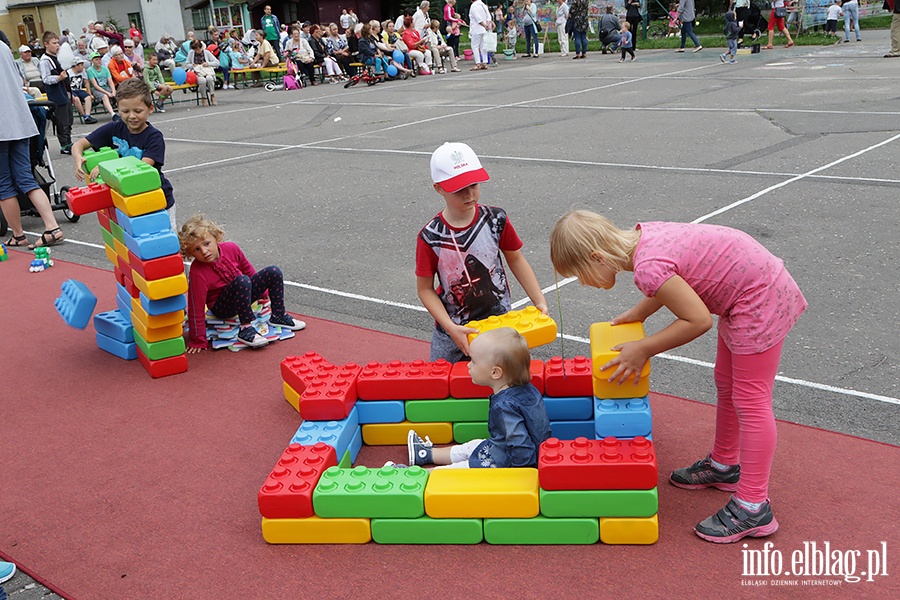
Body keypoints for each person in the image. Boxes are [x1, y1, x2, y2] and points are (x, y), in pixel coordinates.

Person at [549, 210, 807, 543]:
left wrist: (644, 348)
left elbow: (698, 319)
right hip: (750, 287)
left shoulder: (645, 267)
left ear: (597, 257)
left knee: (751, 399)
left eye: (581, 275)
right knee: (727, 383)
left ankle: (753, 505)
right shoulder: (644, 237)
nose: (585, 283)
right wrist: (639, 312)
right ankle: (725, 464)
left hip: (759, 297)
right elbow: (675, 279)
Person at [417, 142, 548, 362]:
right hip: (454, 334)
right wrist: (450, 328)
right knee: (449, 389)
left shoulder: (495, 219)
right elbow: (425, 289)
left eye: (474, 185)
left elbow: (516, 259)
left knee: (505, 382)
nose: (469, 194)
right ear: (439, 188)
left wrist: (539, 300)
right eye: (459, 189)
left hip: (500, 324)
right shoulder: (430, 236)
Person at [401, 328, 551, 469]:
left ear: (495, 373)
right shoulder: (528, 389)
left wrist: (521, 473)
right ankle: (426, 454)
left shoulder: (504, 406)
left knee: (463, 469)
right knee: (475, 445)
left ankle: (415, 476)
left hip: (510, 463)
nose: (468, 365)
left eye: (473, 361)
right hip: (522, 452)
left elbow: (520, 443)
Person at [179, 214, 305, 352]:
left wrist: (262, 294)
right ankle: (246, 329)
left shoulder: (231, 248)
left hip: (243, 293)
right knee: (242, 281)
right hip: (222, 308)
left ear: (216, 238)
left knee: (273, 271)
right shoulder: (198, 272)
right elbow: (195, 306)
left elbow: (249, 271)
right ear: (191, 253)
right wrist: (198, 340)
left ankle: (278, 316)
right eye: (196, 249)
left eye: (207, 244)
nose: (204, 251)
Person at [72, 78, 177, 229]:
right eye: (125, 111)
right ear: (118, 109)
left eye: (138, 111)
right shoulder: (114, 128)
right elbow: (79, 144)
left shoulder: (154, 137)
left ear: (150, 108)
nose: (132, 116)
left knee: (167, 242)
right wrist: (77, 158)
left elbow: (141, 167)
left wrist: (106, 167)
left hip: (157, 199)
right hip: (127, 199)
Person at [0, 39, 65, 249]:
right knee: (25, 177)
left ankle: (18, 234)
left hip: (2, 126)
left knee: (4, 184)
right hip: (19, 118)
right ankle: (52, 226)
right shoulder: (3, 47)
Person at [39, 31, 74, 155]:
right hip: (57, 96)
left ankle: (69, 142)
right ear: (46, 44)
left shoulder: (58, 57)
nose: (57, 46)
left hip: (66, 93)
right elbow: (46, 79)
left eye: (58, 43)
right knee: (61, 121)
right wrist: (59, 78)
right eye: (54, 43)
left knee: (69, 120)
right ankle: (64, 145)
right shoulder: (45, 60)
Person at [186, 39, 219, 106]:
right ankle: (204, 97)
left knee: (209, 79)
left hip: (207, 71)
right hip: (197, 72)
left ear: (201, 47)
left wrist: (208, 64)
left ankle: (212, 95)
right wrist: (193, 65)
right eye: (195, 49)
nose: (197, 51)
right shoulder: (191, 53)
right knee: (202, 80)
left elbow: (217, 63)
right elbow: (187, 64)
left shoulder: (206, 52)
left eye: (198, 49)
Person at [85, 51, 117, 119]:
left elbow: (110, 81)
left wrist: (113, 91)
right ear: (92, 61)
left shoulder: (105, 69)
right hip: (96, 89)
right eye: (96, 60)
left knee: (118, 94)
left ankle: (122, 112)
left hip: (106, 87)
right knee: (104, 96)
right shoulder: (90, 70)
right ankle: (113, 114)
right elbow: (95, 85)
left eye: (99, 59)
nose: (99, 61)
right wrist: (107, 93)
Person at [68, 58, 98, 124]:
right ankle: (84, 116)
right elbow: (66, 85)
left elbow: (86, 82)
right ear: (76, 66)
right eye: (81, 65)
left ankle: (87, 115)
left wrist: (89, 93)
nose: (83, 66)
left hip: (79, 90)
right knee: (76, 99)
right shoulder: (68, 73)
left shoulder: (83, 72)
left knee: (88, 97)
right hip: (72, 90)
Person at [469, 0, 493, 70]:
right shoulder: (483, 5)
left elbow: (478, 18)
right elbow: (489, 16)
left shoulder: (473, 6)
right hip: (484, 29)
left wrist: (484, 25)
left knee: (475, 46)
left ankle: (478, 63)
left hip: (476, 29)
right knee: (483, 46)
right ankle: (485, 62)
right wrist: (487, 25)